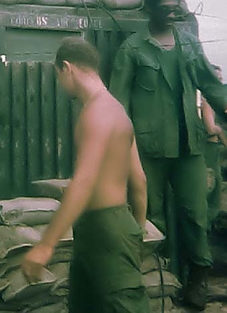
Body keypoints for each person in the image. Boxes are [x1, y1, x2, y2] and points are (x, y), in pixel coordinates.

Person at [109, 0, 227, 311]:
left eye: (176, 7)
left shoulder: (189, 45)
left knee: (195, 214)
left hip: (189, 148)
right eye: (165, 8)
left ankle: (198, 277)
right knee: (151, 215)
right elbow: (117, 105)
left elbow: (210, 84)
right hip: (149, 151)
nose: (173, 13)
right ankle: (157, 278)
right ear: (149, 10)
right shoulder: (133, 50)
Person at [22, 37, 149, 313]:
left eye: (58, 76)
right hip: (108, 230)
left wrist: (45, 245)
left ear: (66, 68)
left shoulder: (95, 113)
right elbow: (139, 181)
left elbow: (85, 181)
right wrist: (135, 234)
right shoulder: (117, 110)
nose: (60, 84)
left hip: (106, 231)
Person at [201, 64, 226, 232]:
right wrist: (223, 135)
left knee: (216, 192)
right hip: (208, 149)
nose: (219, 82)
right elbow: (211, 128)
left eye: (221, 79)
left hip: (216, 149)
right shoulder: (207, 101)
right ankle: (205, 230)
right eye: (215, 79)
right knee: (209, 191)